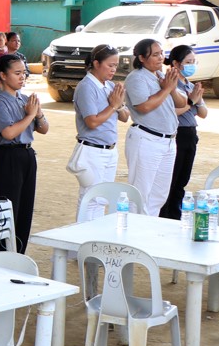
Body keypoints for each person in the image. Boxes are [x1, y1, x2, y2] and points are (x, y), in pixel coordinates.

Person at [0, 54, 48, 252]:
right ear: (3, 76)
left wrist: (38, 114)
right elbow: (9, 132)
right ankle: (2, 254)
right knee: (6, 209)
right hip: (6, 158)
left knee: (24, 208)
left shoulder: (24, 99)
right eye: (17, 73)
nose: (23, 77)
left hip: (26, 155)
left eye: (24, 73)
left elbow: (44, 128)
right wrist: (30, 115)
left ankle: (18, 252)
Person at [123, 38, 182, 219]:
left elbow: (182, 102)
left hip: (168, 140)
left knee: (159, 194)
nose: (160, 58)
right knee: (140, 193)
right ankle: (132, 237)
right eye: (155, 54)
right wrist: (166, 90)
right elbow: (143, 107)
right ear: (141, 58)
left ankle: (148, 232)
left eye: (161, 53)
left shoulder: (161, 76)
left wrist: (171, 88)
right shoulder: (136, 78)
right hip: (147, 139)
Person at [69, 45, 128, 220]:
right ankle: (81, 243)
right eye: (110, 65)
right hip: (92, 150)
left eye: (115, 65)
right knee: (90, 198)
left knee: (102, 199)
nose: (113, 69)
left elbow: (124, 117)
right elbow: (92, 121)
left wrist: (120, 104)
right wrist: (113, 105)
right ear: (96, 63)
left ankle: (94, 239)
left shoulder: (109, 86)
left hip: (109, 150)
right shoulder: (87, 86)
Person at [161, 46, 208, 220]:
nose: (191, 65)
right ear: (176, 63)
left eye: (193, 62)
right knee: (171, 180)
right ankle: (165, 216)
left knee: (182, 180)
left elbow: (203, 113)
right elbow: (171, 111)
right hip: (177, 133)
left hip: (190, 133)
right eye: (188, 62)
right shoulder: (171, 84)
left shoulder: (190, 85)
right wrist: (191, 102)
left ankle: (175, 215)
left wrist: (197, 101)